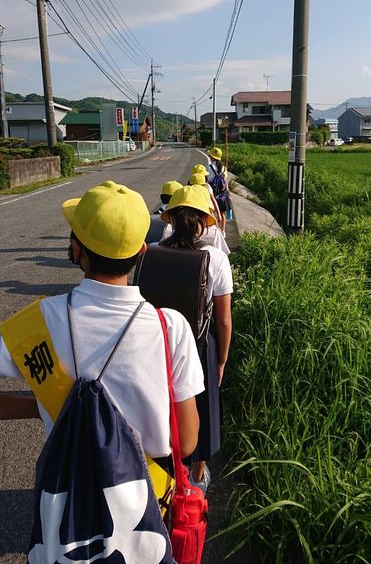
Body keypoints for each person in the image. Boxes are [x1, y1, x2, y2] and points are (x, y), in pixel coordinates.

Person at [0, 180, 204, 466]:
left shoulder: (40, 319)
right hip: (146, 495)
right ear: (142, 251)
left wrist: (49, 404)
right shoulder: (171, 327)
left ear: (76, 248)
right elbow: (186, 441)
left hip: (66, 496)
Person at [160, 185, 233, 493]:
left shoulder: (153, 252)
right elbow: (224, 319)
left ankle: (164, 476)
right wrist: (222, 360)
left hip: (160, 343)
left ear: (172, 220)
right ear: (204, 221)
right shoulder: (215, 258)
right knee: (201, 408)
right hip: (200, 346)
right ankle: (197, 478)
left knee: (164, 408)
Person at [207, 147, 230, 234]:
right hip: (222, 195)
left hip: (212, 193)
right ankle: (223, 231)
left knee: (212, 212)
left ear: (211, 157)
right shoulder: (223, 168)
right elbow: (225, 181)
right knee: (222, 213)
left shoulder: (208, 167)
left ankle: (215, 230)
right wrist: (227, 193)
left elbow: (207, 180)